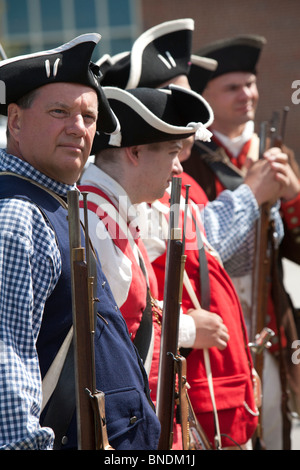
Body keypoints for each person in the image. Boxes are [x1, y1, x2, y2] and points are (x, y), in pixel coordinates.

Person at [95, 18, 291, 449]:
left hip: (226, 380)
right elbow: (119, 323)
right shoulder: (126, 193)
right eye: (175, 98)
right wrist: (183, 329)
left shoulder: (174, 176)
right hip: (185, 392)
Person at [0, 33, 161, 450]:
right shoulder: (18, 215)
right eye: (60, 112)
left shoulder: (50, 201)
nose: (78, 129)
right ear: (15, 121)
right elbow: (6, 368)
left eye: (88, 118)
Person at [78, 83, 218, 449]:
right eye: (172, 153)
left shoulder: (111, 213)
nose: (178, 167)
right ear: (135, 152)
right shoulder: (96, 220)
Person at [182, 34, 300, 449]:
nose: (246, 95)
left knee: (276, 428)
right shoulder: (187, 155)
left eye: (250, 84)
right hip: (215, 326)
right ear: (206, 96)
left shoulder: (273, 148)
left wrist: (293, 196)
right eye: (232, 87)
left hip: (269, 321)